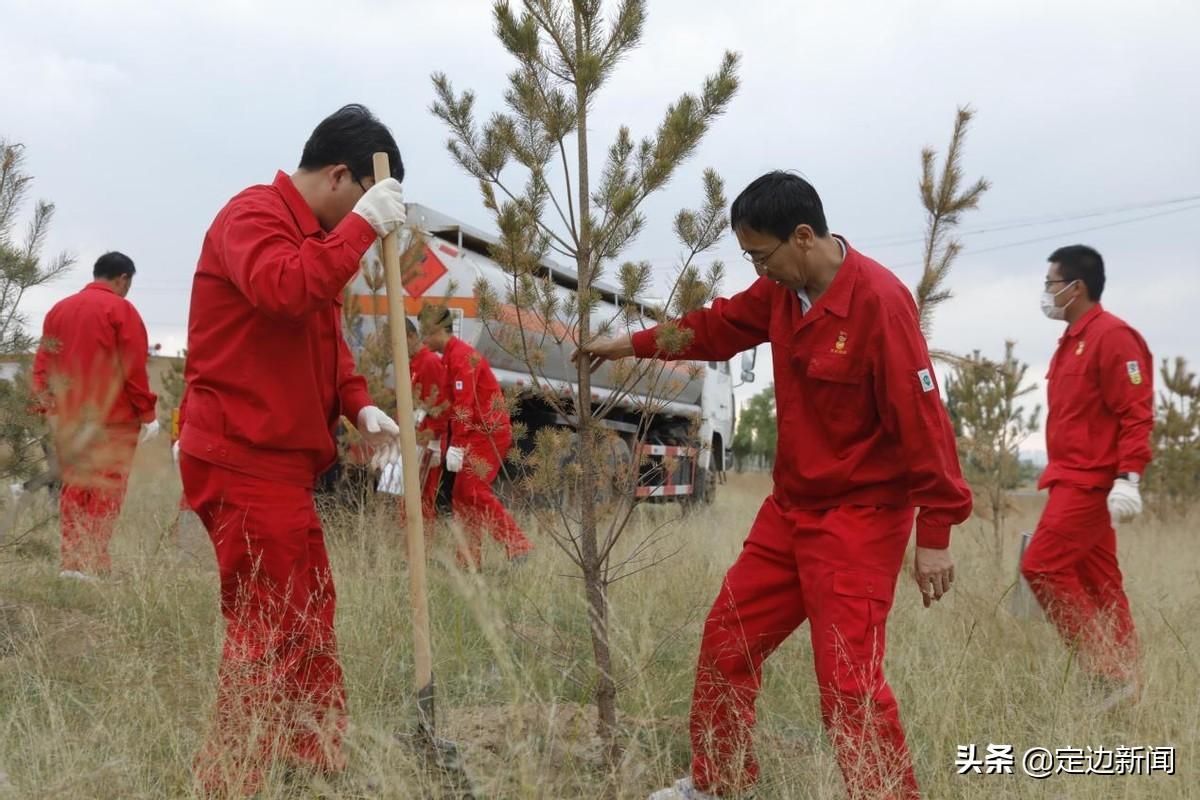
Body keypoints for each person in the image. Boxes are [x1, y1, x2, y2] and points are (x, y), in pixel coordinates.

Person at [578, 171, 972, 800]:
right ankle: (718, 784)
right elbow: (713, 327)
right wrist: (627, 344)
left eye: (762, 256)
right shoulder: (779, 296)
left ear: (804, 236)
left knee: (847, 685)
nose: (759, 272)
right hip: (790, 512)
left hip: (859, 520)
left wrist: (937, 533)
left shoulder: (878, 303)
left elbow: (923, 421)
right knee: (726, 641)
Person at [177, 104, 407, 795]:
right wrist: (364, 227)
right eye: (362, 201)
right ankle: (232, 780)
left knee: (309, 612)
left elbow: (322, 337)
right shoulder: (254, 217)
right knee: (270, 624)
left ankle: (311, 760)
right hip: (241, 455)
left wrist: (357, 400)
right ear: (342, 176)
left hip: (282, 464)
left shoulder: (309, 239)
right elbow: (284, 291)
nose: (361, 220)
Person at [1020, 245, 1152, 711]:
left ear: (1075, 288)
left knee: (1041, 566)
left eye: (1050, 284)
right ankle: (1131, 687)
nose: (1046, 293)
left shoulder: (1114, 337)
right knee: (1101, 584)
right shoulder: (1072, 340)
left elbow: (1136, 413)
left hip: (1089, 483)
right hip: (1069, 478)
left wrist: (1129, 477)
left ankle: (1107, 671)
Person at [32, 251, 159, 580]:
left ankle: (71, 564)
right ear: (123, 279)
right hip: (112, 418)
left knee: (74, 486)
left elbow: (43, 364)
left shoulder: (58, 310)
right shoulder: (121, 309)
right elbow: (132, 367)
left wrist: (45, 407)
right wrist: (147, 414)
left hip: (70, 419)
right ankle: (91, 562)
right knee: (106, 490)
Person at [421, 307, 533, 569]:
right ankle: (469, 560)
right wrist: (439, 439)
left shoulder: (461, 357)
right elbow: (450, 407)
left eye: (425, 332)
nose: (423, 339)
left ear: (438, 329)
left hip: (489, 433)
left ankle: (518, 543)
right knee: (462, 493)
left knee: (472, 489)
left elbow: (464, 407)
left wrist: (456, 446)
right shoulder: (449, 358)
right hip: (475, 433)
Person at [406, 316, 447, 523]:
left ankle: (424, 549)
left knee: (421, 500)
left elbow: (439, 404)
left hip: (424, 441)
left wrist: (434, 442)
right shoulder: (412, 363)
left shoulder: (429, 362)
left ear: (411, 336)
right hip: (410, 438)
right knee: (404, 498)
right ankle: (405, 548)